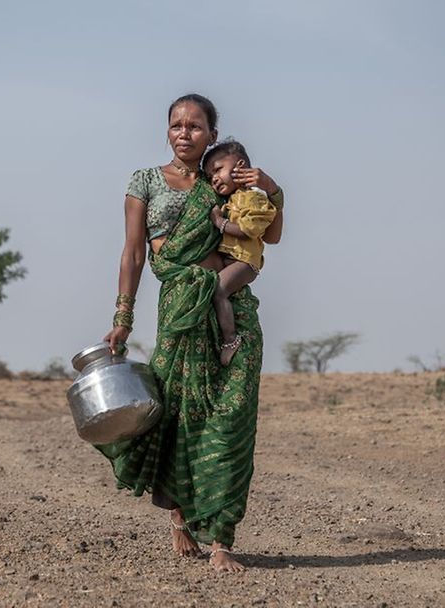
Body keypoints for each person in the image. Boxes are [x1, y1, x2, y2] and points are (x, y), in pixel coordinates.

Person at [98, 93, 285, 573]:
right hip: (182, 311)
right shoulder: (144, 182)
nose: (185, 133)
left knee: (231, 420)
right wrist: (123, 316)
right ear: (167, 130)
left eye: (196, 126)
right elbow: (134, 254)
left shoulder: (220, 180)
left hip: (233, 312)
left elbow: (273, 233)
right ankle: (180, 517)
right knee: (178, 417)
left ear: (211, 135)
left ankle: (222, 538)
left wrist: (272, 187)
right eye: (177, 125)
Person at [201, 140, 277, 366]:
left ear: (240, 166)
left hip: (245, 261)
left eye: (218, 170)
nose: (214, 178)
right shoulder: (230, 199)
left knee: (219, 289)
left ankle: (230, 339)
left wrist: (219, 222)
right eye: (209, 176)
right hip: (231, 259)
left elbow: (247, 230)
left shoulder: (254, 198)